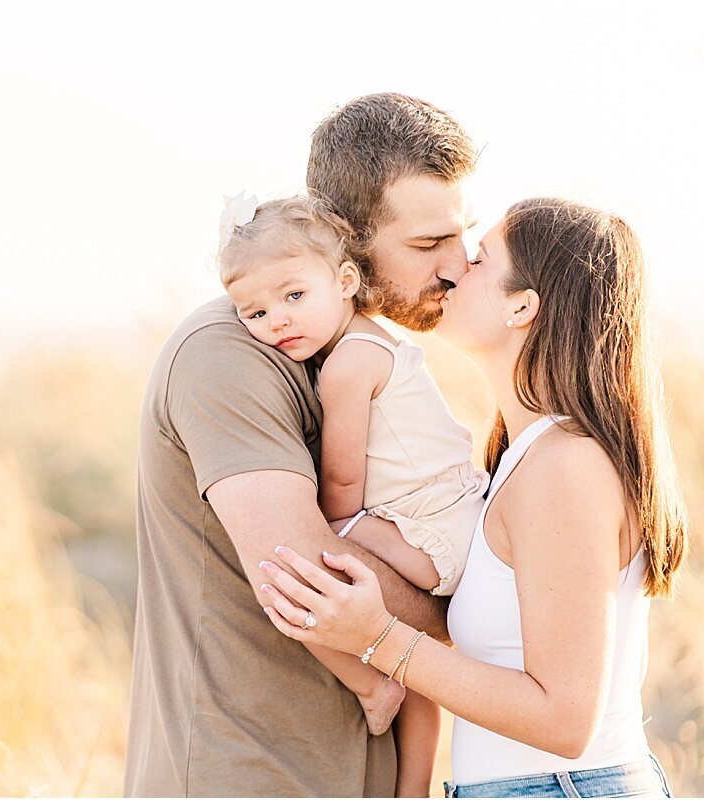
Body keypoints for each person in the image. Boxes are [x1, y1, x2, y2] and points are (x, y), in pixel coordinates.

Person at [258, 198, 688, 798]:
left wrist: (377, 637)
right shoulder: (524, 453)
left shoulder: (564, 466)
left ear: (521, 306)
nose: (454, 267)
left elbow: (563, 718)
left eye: (480, 257)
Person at [124, 92, 477, 796]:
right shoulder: (227, 357)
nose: (458, 266)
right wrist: (468, 610)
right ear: (346, 239)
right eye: (428, 244)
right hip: (249, 776)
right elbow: (308, 566)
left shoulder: (360, 357)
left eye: (461, 237)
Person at [218, 194, 489, 795]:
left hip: (431, 534)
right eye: (254, 312)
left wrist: (331, 525)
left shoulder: (345, 366)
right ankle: (412, 789)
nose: (278, 321)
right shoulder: (371, 338)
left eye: (293, 297)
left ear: (344, 281)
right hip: (453, 521)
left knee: (291, 571)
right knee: (419, 662)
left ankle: (371, 683)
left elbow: (342, 485)